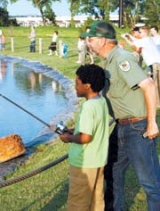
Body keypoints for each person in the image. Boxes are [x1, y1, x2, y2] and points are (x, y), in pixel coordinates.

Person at [83, 20, 160, 211]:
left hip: (137, 127)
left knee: (150, 183)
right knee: (111, 170)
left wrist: (152, 123)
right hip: (121, 127)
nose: (88, 43)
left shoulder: (121, 59)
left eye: (90, 39)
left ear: (102, 40)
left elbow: (149, 86)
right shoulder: (109, 61)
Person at [59, 64, 110, 211]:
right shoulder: (101, 101)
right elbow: (92, 127)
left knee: (78, 203)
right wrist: (72, 130)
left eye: (77, 83)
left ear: (87, 85)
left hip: (84, 163)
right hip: (98, 161)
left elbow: (86, 137)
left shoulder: (88, 107)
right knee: (96, 201)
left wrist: (68, 138)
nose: (75, 86)